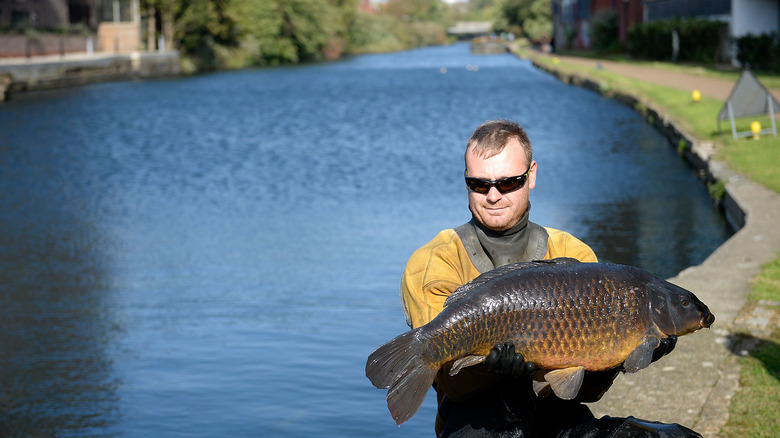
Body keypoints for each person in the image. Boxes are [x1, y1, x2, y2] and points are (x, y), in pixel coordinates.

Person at [399, 120, 696, 437]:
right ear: (467, 182)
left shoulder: (573, 253)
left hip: (557, 415)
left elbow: (584, 391)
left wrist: (620, 359)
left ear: (532, 175)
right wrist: (493, 371)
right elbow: (449, 382)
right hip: (474, 423)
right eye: (480, 184)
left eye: (509, 182)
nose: (494, 195)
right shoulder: (433, 261)